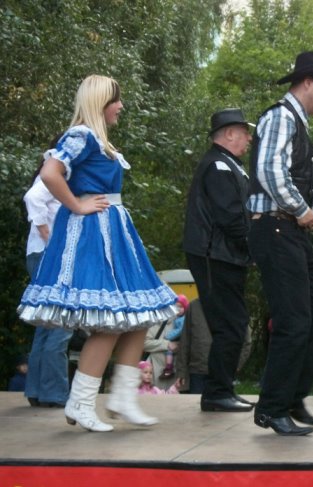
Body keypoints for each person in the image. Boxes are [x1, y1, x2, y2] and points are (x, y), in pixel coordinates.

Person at [17, 75, 178, 432]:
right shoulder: (81, 135)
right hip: (93, 235)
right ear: (100, 103)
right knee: (109, 321)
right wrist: (76, 204)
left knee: (139, 315)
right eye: (115, 100)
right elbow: (50, 173)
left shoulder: (98, 140)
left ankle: (122, 398)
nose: (121, 106)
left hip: (115, 233)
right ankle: (80, 402)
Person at [247, 51, 313, 436]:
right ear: (308, 82)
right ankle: (272, 408)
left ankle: (292, 399)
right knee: (293, 321)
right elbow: (270, 171)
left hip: (288, 229)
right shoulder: (280, 117)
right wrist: (304, 209)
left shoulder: (296, 123)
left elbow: (291, 174)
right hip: (274, 227)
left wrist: (312, 210)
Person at [183, 108, 254, 413]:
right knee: (230, 324)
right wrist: (257, 247)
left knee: (233, 323)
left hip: (225, 256)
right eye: (245, 132)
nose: (249, 139)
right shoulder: (218, 166)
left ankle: (221, 390)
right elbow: (231, 217)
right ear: (229, 134)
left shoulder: (229, 165)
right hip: (215, 256)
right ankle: (216, 393)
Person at [23, 151, 73, 408]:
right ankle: (54, 393)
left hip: (39, 255)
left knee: (46, 324)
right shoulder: (58, 169)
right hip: (50, 256)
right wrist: (48, 236)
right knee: (61, 320)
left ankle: (37, 391)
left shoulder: (51, 171)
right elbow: (32, 198)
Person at [142, 294, 188, 390]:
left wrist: (179, 346)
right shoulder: (155, 321)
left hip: (176, 370)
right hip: (155, 371)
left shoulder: (183, 321)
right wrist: (166, 344)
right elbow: (144, 344)